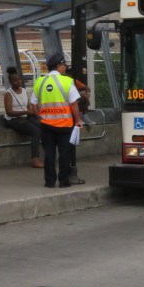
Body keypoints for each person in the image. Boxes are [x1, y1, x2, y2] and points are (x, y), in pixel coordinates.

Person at [30, 52, 84, 188]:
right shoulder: (66, 81)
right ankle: (64, 181)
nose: (65, 67)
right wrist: (78, 120)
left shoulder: (39, 82)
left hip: (46, 125)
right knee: (65, 153)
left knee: (49, 154)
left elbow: (33, 104)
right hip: (65, 125)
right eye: (64, 64)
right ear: (59, 65)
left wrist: (39, 117)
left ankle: (49, 182)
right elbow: (73, 104)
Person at [2, 66, 43, 169]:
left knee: (42, 126)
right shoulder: (8, 93)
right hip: (13, 119)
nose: (18, 82)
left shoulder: (24, 91)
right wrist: (25, 111)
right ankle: (35, 159)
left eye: (19, 79)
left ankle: (49, 155)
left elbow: (28, 106)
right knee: (36, 131)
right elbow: (9, 112)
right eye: (15, 80)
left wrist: (34, 112)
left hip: (24, 117)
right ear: (11, 82)